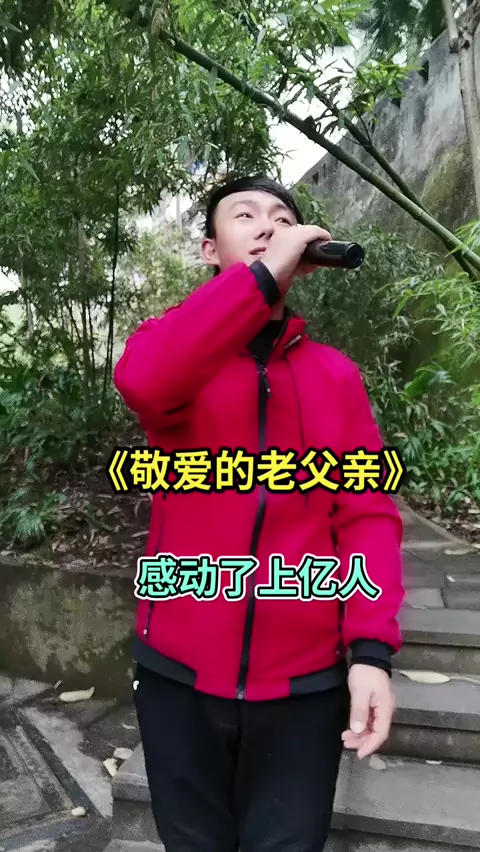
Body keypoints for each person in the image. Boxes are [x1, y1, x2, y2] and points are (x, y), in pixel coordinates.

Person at [113, 174, 405, 852]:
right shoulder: (169, 351)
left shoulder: (336, 376)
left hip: (304, 687)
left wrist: (370, 653)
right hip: (177, 678)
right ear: (210, 250)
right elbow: (146, 382)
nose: (269, 226)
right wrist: (260, 280)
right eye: (245, 216)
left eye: (282, 217)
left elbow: (366, 514)